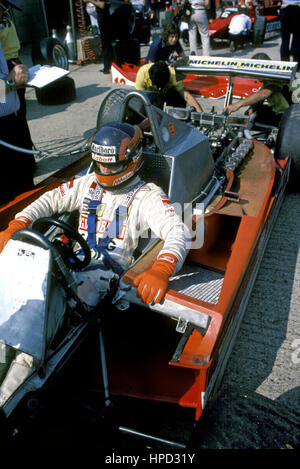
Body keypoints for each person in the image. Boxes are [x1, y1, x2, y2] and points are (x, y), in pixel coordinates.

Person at [0, 121, 190, 406]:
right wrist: (19, 223)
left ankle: (8, 401)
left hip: (101, 281)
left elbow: (179, 231)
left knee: (31, 339)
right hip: (67, 264)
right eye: (100, 165)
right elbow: (50, 199)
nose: (105, 172)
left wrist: (162, 268)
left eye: (111, 167)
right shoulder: (88, 183)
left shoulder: (147, 196)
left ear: (133, 160)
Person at [0, 39, 35, 205]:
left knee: (27, 193)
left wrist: (18, 82)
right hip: (3, 134)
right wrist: (10, 81)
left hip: (13, 123)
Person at [0, 0, 34, 152]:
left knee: (18, 111)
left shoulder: (5, 21)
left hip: (11, 63)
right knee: (16, 113)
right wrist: (10, 80)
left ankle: (26, 151)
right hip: (9, 65)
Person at [223, 79, 298, 127]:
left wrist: (239, 104)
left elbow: (264, 93)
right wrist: (251, 110)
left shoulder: (279, 79)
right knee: (247, 118)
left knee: (242, 123)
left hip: (294, 117)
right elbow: (259, 99)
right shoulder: (268, 81)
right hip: (286, 112)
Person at [135, 60, 203, 111]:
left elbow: (187, 96)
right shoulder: (142, 74)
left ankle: (177, 116)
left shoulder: (173, 74)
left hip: (165, 93)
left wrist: (201, 114)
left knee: (179, 97)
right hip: (149, 96)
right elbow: (139, 99)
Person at [83, 0, 112, 74]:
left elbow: (102, 5)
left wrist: (89, 0)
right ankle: (107, 66)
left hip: (103, 16)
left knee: (106, 43)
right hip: (102, 15)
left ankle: (108, 67)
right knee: (105, 42)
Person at [279, 0, 300, 70]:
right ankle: (297, 64)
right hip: (297, 8)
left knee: (285, 38)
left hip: (286, 8)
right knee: (297, 38)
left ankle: (285, 64)